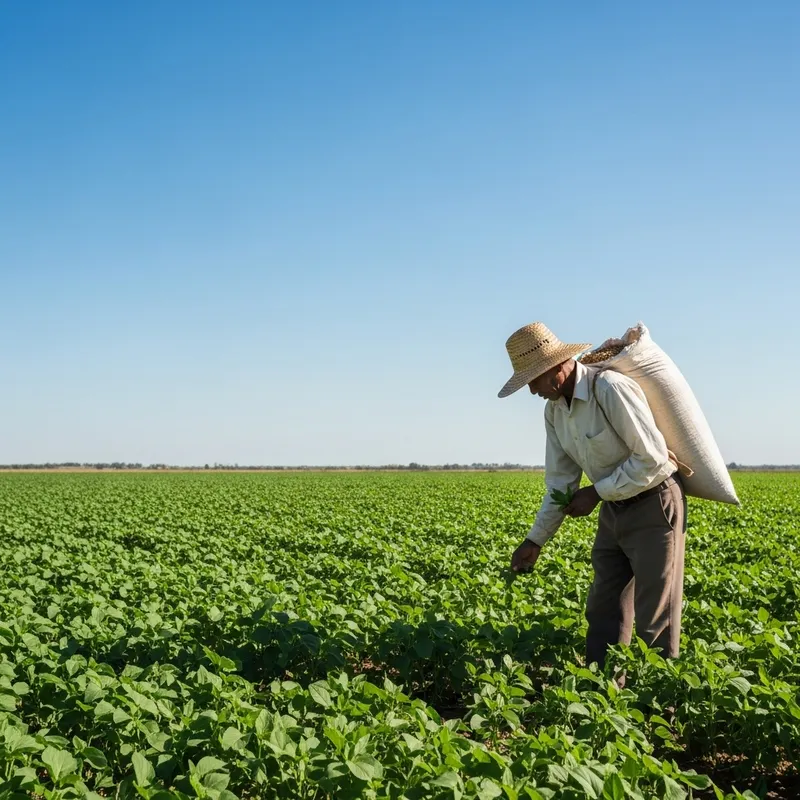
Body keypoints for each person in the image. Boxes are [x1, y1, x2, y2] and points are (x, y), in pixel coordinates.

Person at [498, 321, 687, 670]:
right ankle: (603, 692)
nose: (532, 391)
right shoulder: (555, 411)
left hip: (654, 504)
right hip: (614, 510)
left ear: (555, 367)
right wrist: (535, 541)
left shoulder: (610, 389)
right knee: (604, 606)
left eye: (533, 380)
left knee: (655, 615)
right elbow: (560, 484)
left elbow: (654, 460)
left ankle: (660, 710)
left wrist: (597, 493)